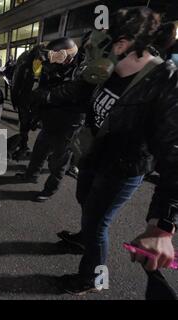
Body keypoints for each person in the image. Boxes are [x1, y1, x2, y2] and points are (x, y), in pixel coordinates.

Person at [31, 7, 177, 295]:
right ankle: (85, 239)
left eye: (96, 46)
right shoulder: (107, 70)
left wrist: (162, 225)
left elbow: (175, 157)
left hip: (123, 168)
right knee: (84, 200)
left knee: (97, 223)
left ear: (122, 44)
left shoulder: (165, 82)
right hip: (93, 155)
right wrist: (41, 95)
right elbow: (76, 91)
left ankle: (91, 278)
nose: (89, 55)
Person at [21, 38, 84, 203]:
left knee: (59, 161)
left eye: (56, 55)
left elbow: (70, 93)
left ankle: (49, 190)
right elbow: (35, 72)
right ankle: (31, 175)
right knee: (39, 151)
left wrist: (48, 96)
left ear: (66, 55)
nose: (52, 59)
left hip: (69, 124)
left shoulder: (81, 70)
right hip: (50, 119)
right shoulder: (54, 66)